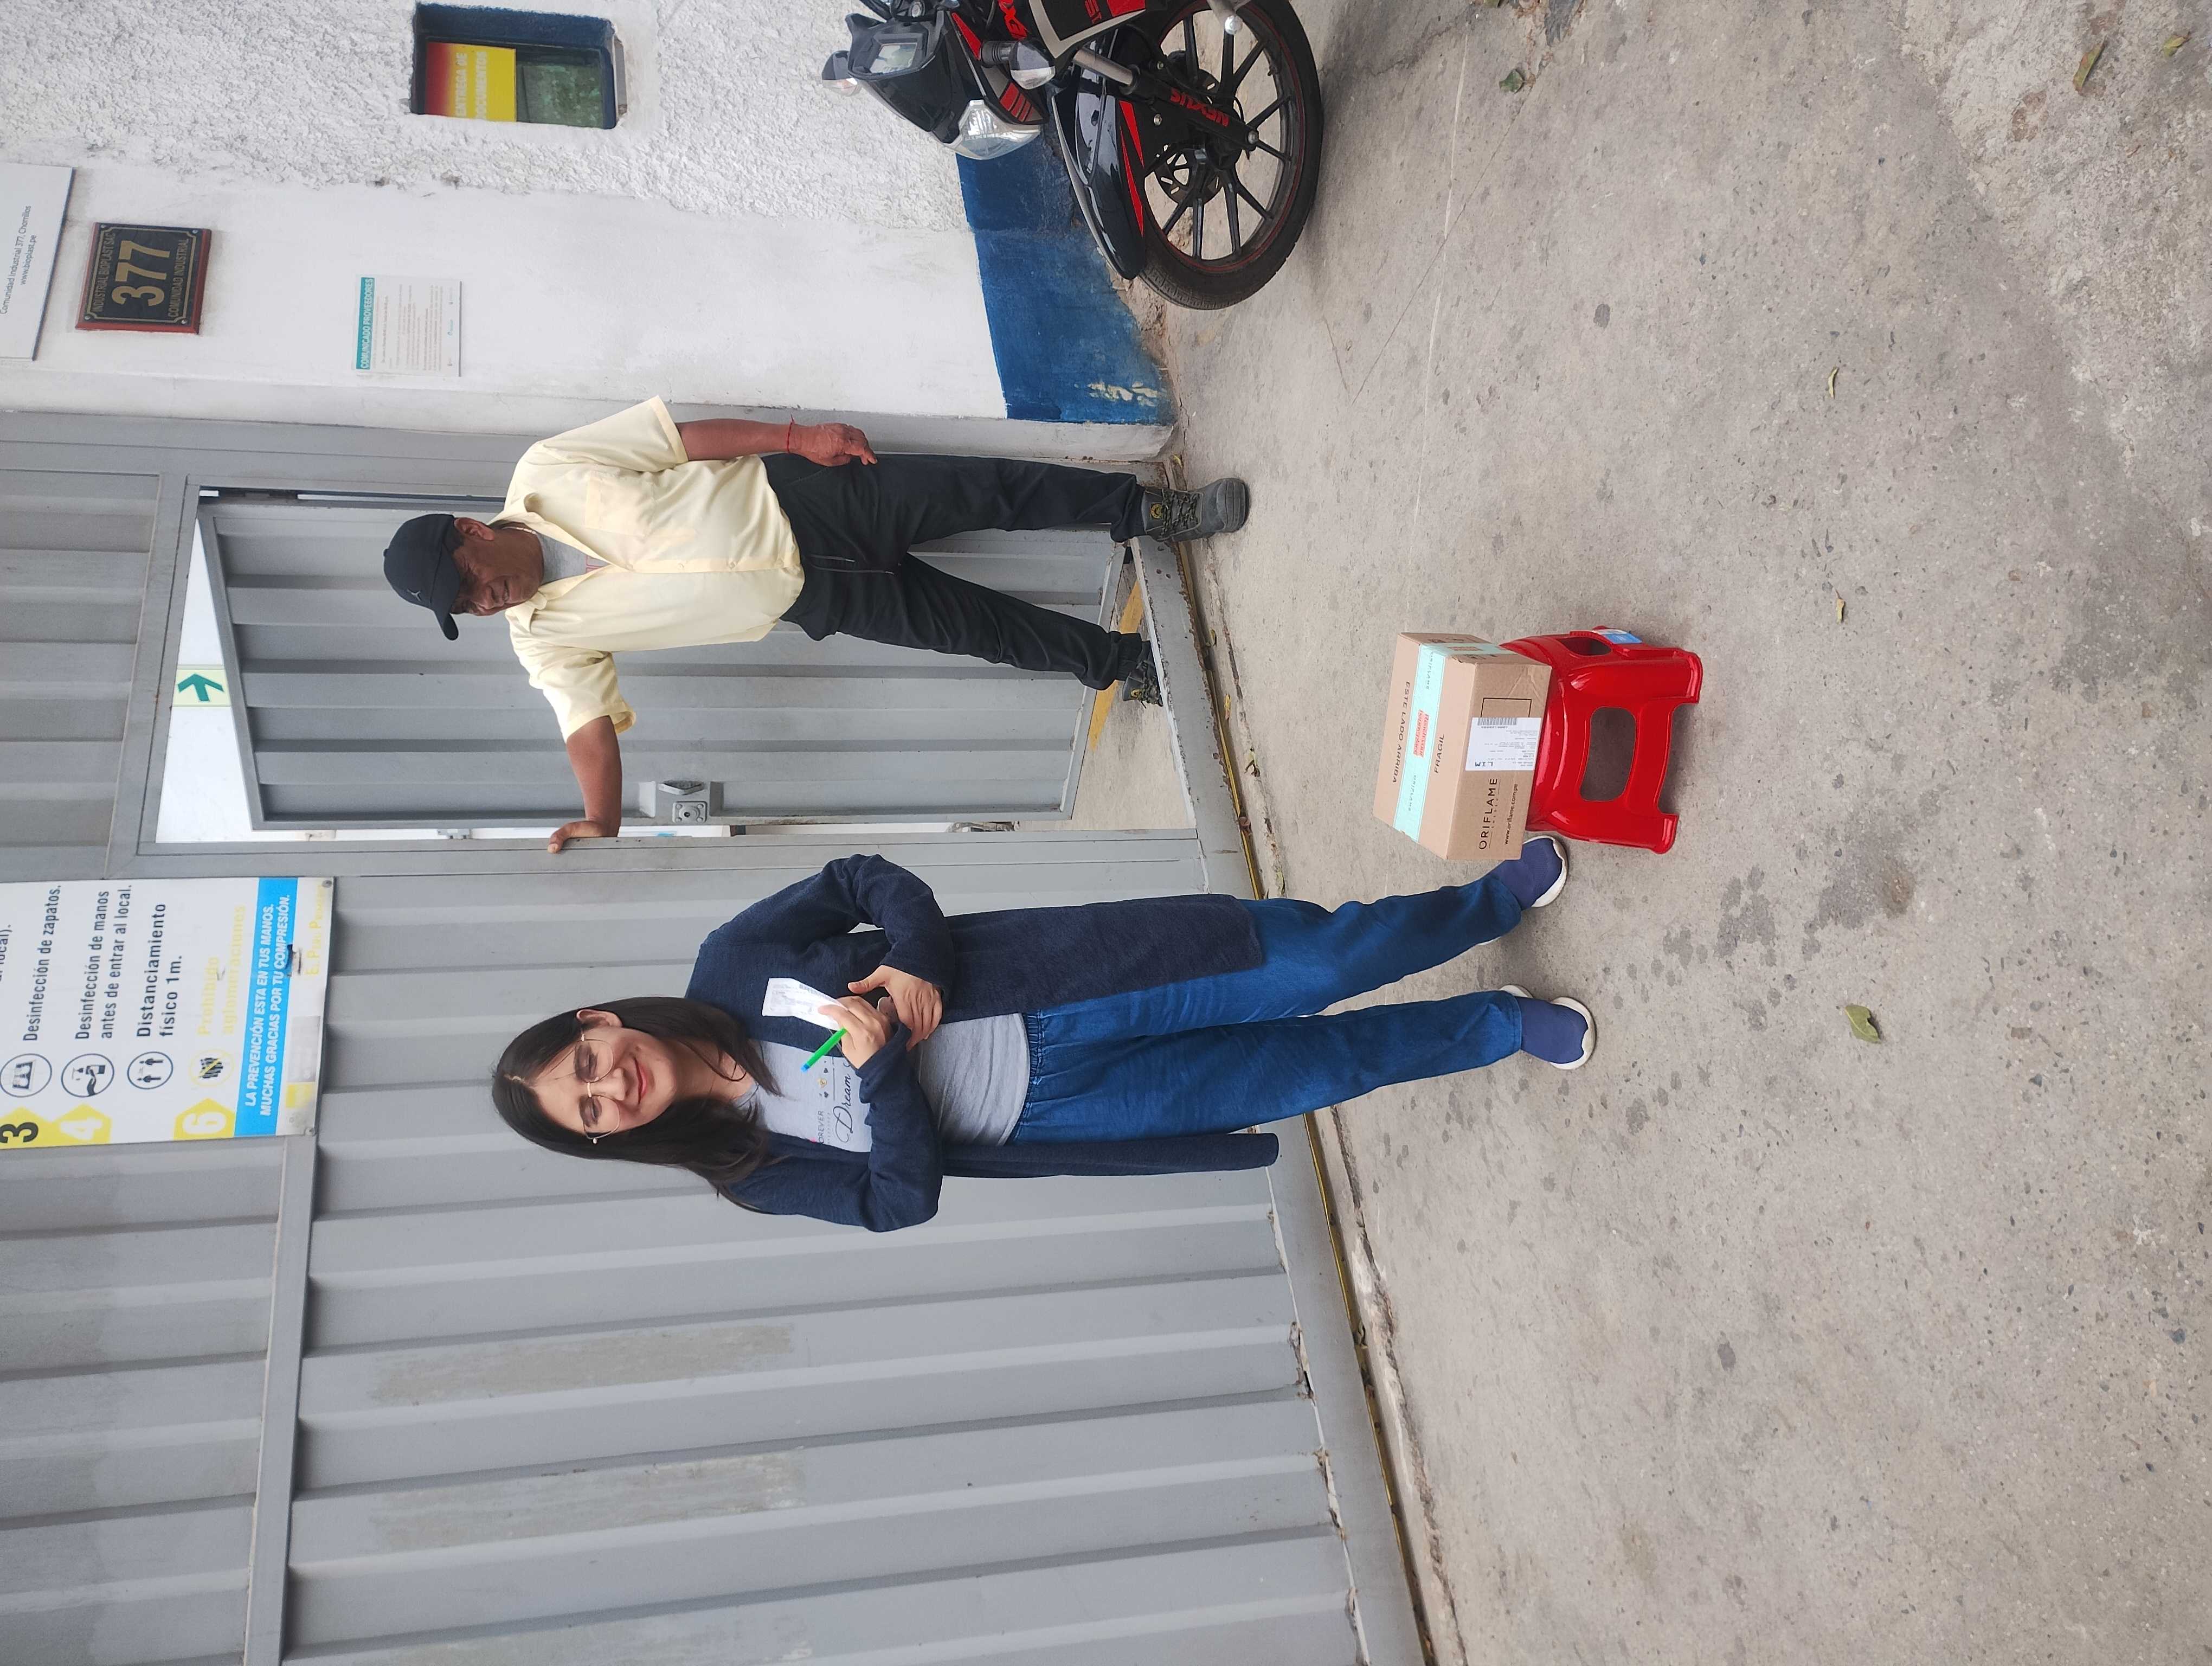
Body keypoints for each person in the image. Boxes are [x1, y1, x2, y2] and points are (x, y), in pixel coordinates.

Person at [490, 843, 1594, 1232]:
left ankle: (1489, 904)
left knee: (1321, 962)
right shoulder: (747, 1171)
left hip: (1071, 988)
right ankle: (1498, 1024)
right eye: (589, 1112)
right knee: (1319, 1067)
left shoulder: (734, 963)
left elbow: (861, 880)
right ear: (605, 1137)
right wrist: (879, 1079)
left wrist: (916, 961)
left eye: (586, 1065)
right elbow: (896, 1200)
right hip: (1069, 1111)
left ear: (599, 1021)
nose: (610, 1088)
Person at [380, 398, 1250, 852]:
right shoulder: (542, 636)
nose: (485, 603)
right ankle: (1123, 663)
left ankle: (1148, 510)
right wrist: (600, 819)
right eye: (466, 610)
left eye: (471, 585)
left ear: (472, 532)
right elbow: (586, 728)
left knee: (989, 489)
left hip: (807, 499)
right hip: (814, 598)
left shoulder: (549, 469)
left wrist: (795, 437)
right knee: (979, 630)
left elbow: (677, 440)